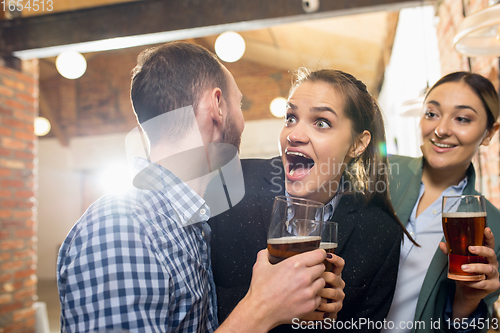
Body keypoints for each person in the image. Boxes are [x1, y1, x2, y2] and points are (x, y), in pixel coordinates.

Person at [57, 42, 331, 333]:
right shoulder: (119, 228)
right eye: (238, 103)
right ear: (216, 106)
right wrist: (261, 309)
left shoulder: (190, 224)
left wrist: (292, 295)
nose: (242, 117)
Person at [209, 68, 415, 332]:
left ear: (358, 144)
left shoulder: (380, 233)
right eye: (291, 117)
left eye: (321, 123)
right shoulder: (229, 185)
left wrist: (330, 322)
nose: (294, 135)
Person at [384, 71, 500, 333]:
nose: (440, 129)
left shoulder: (493, 226)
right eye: (432, 113)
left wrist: (467, 301)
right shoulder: (381, 173)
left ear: (489, 133)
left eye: (462, 118)